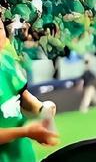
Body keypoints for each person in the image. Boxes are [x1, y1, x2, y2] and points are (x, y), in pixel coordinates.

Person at [0, 21, 59, 162]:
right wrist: (25, 132)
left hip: (23, 155)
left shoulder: (6, 60)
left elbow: (22, 95)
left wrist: (42, 109)